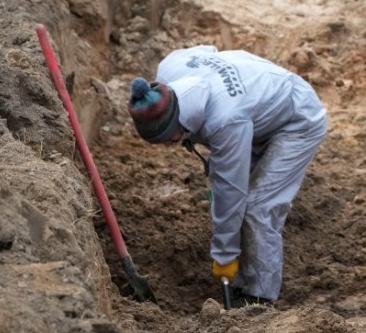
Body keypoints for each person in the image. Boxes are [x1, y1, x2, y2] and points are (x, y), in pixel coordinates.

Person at [127, 45, 327, 306]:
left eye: (168, 139)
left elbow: (230, 193)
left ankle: (258, 297)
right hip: (258, 111)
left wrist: (224, 255)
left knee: (257, 205)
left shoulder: (224, 120)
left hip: (297, 119)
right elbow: (209, 49)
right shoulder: (169, 70)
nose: (168, 146)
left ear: (181, 120)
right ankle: (244, 276)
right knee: (232, 207)